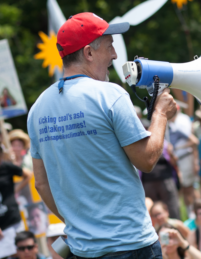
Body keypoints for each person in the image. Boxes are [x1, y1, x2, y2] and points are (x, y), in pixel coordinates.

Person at [27, 13, 177, 258]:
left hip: (81, 249)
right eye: (110, 47)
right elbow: (147, 160)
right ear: (88, 53)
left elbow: (41, 184)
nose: (115, 56)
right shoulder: (110, 94)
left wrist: (82, 225)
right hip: (131, 245)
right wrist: (160, 114)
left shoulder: (38, 108)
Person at [0, 146, 31, 258]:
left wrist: (15, 189)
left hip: (13, 218)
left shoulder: (6, 167)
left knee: (22, 250)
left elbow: (28, 174)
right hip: (1, 225)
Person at [169, 107, 199, 218]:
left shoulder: (177, 128)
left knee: (188, 188)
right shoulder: (171, 126)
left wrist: (177, 148)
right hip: (177, 162)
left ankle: (192, 213)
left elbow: (194, 141)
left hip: (184, 159)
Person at [142, 140, 180, 219]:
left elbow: (174, 160)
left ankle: (175, 227)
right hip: (152, 181)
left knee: (170, 208)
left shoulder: (164, 144)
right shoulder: (162, 143)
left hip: (161, 180)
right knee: (154, 209)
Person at [9, 129, 34, 205]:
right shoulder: (8, 160)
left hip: (29, 193)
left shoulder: (27, 159)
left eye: (19, 146)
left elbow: (28, 175)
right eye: (14, 145)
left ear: (23, 147)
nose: (16, 148)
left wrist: (16, 189)